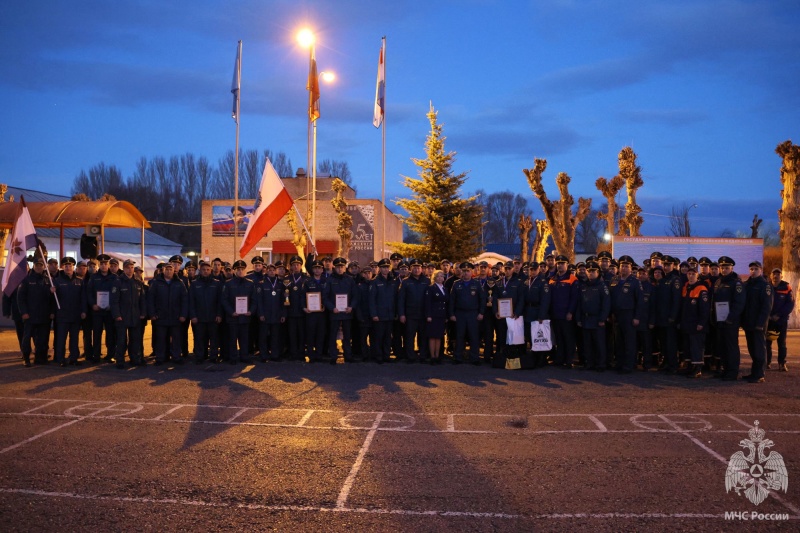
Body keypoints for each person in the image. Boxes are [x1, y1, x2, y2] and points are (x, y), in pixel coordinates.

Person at [712, 256, 747, 381]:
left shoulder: (736, 283)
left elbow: (739, 303)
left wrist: (730, 318)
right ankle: (725, 369)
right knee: (722, 346)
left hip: (731, 321)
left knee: (731, 346)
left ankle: (732, 372)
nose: (724, 270)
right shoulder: (718, 282)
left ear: (731, 268)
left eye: (727, 267)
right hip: (720, 320)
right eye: (722, 267)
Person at [609, 255, 644, 374]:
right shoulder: (615, 280)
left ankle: (629, 365)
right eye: (622, 266)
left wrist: (637, 317)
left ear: (630, 268)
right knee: (618, 341)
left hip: (629, 315)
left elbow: (640, 301)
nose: (623, 268)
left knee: (629, 342)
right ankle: (620, 363)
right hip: (617, 315)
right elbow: (611, 298)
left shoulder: (635, 282)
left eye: (626, 266)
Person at [148, 262, 188, 366]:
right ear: (163, 270)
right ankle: (160, 358)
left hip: (175, 317)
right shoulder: (156, 283)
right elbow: (150, 299)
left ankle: (176, 357)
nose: (169, 271)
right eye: (167, 269)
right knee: (160, 339)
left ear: (174, 270)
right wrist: (152, 313)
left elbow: (184, 300)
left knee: (176, 339)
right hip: (161, 317)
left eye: (170, 269)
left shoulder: (179, 283)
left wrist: (183, 314)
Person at [18, 257, 55, 366]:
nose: (39, 267)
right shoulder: (27, 279)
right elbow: (21, 298)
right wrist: (24, 312)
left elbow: (52, 300)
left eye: (41, 265)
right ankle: (26, 358)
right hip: (30, 315)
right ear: (33, 266)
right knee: (27, 337)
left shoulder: (48, 279)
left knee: (43, 338)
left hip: (44, 315)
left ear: (44, 266)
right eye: (37, 265)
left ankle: (40, 358)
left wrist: (52, 311)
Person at [448, 262, 486, 365]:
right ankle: (458, 357)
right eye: (464, 271)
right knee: (459, 336)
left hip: (473, 314)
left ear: (471, 272)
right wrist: (451, 314)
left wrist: (481, 312)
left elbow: (482, 299)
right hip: (459, 314)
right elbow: (452, 300)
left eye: (468, 271)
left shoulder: (477, 284)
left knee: (474, 336)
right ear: (461, 271)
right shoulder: (456, 284)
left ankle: (474, 358)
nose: (466, 273)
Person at [575, 261, 611, 372]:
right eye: (588, 271)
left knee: (599, 343)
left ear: (598, 272)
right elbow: (579, 303)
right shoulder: (584, 286)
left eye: (593, 271)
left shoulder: (602, 286)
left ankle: (601, 364)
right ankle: (589, 363)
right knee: (587, 344)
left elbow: (606, 303)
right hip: (586, 318)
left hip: (597, 319)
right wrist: (578, 318)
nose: (590, 273)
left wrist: (602, 318)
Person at [741, 261, 772, 383]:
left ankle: (759, 374)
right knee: (752, 349)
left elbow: (766, 307)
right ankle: (754, 372)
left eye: (755, 269)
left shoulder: (765, 286)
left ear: (761, 270)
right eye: (751, 269)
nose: (753, 271)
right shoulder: (747, 284)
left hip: (758, 324)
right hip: (749, 323)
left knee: (759, 349)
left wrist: (761, 323)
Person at [50, 257, 85, 366]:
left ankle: (73, 358)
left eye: (70, 266)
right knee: (61, 338)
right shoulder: (57, 281)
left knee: (74, 338)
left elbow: (83, 298)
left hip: (75, 315)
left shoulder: (79, 281)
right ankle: (60, 359)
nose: (68, 267)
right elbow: (51, 300)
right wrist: (51, 292)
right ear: (62, 267)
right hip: (62, 315)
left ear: (73, 267)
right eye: (66, 266)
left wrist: (83, 311)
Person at [85, 254, 120, 364]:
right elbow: (89, 293)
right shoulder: (94, 277)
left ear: (108, 265)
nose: (104, 266)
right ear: (99, 265)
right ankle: (96, 355)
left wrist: (112, 306)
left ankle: (110, 355)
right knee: (97, 333)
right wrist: (93, 304)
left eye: (106, 264)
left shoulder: (114, 278)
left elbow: (117, 294)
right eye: (102, 264)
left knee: (110, 334)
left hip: (109, 311)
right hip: (97, 310)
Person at [221, 259, 256, 364]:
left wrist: (251, 311)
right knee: (232, 339)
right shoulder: (228, 284)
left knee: (244, 339)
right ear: (234, 271)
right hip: (233, 317)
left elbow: (254, 300)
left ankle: (244, 357)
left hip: (245, 317)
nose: (240, 271)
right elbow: (224, 300)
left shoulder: (250, 284)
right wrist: (231, 312)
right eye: (238, 269)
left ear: (245, 270)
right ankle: (233, 358)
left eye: (242, 269)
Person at [113, 259, 147, 368]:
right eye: (128, 267)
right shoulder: (118, 282)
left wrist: (143, 313)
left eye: (132, 267)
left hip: (135, 316)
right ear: (124, 269)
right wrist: (117, 314)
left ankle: (134, 359)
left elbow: (142, 299)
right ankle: (120, 361)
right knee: (122, 340)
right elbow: (114, 300)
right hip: (122, 316)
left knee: (135, 340)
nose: (130, 269)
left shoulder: (138, 281)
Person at [324, 257, 358, 364]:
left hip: (347, 312)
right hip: (335, 312)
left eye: (342, 267)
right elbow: (325, 297)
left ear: (345, 267)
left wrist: (351, 307)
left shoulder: (350, 280)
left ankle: (348, 355)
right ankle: (333, 356)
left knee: (347, 336)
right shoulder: (329, 280)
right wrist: (331, 307)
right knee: (333, 335)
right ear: (334, 267)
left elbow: (355, 296)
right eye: (338, 267)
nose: (340, 269)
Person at [678, 265, 710, 378]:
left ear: (697, 275)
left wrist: (701, 323)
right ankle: (689, 366)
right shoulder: (685, 287)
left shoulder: (701, 288)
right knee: (687, 346)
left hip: (697, 324)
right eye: (689, 274)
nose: (691, 276)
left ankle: (697, 369)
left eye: (693, 274)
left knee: (697, 346)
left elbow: (705, 309)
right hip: (687, 323)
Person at [189, 260, 222, 364]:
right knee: (199, 338)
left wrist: (219, 314)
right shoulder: (194, 284)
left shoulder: (217, 284)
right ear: (200, 270)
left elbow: (220, 301)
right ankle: (200, 356)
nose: (206, 271)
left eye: (208, 269)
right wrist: (193, 315)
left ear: (211, 270)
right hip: (199, 317)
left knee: (214, 338)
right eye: (203, 270)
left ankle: (213, 356)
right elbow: (191, 301)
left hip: (213, 317)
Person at [549, 255, 579, 368]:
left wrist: (570, 312)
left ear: (567, 265)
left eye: (562, 263)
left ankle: (569, 360)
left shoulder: (572, 279)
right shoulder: (553, 279)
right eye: (558, 263)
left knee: (568, 338)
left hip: (566, 315)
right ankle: (560, 359)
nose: (560, 265)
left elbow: (574, 298)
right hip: (555, 314)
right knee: (559, 338)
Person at [397, 258, 429, 363]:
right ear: (411, 269)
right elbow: (401, 299)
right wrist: (401, 314)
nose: (416, 269)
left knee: (423, 337)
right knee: (409, 337)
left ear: (421, 268)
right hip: (410, 314)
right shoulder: (406, 282)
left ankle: (422, 355)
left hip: (423, 314)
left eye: (418, 267)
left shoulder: (427, 281)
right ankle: (410, 356)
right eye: (414, 267)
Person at [256, 262, 287, 362]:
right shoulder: (261, 283)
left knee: (275, 336)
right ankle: (264, 355)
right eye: (269, 270)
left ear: (276, 271)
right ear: (266, 271)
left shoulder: (280, 284)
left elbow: (284, 301)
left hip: (277, 315)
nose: (272, 272)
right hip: (265, 314)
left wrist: (283, 314)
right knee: (263, 337)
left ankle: (275, 355)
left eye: (273, 270)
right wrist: (260, 314)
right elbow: (259, 301)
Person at [370, 258, 398, 364]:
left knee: (388, 337)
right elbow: (371, 300)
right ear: (380, 269)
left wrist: (396, 313)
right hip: (379, 315)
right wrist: (374, 314)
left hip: (390, 315)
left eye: (387, 267)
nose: (385, 269)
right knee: (379, 337)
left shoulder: (393, 281)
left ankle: (386, 355)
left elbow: (395, 298)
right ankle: (379, 356)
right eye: (383, 267)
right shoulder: (375, 282)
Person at [767, 267, 794, 372]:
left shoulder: (786, 287)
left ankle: (782, 363)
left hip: (781, 320)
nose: (776, 276)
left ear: (781, 276)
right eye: (774, 274)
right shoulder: (767, 286)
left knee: (781, 343)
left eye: (778, 274)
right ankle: (767, 362)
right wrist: (768, 315)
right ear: (770, 276)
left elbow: (790, 304)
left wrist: (778, 315)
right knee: (767, 343)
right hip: (768, 320)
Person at [303, 260, 327, 362]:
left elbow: (329, 296)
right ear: (312, 270)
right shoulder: (307, 282)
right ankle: (311, 355)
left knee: (321, 334)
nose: (317, 270)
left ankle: (319, 354)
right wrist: (304, 307)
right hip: (311, 313)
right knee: (310, 334)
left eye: (319, 268)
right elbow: (302, 296)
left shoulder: (327, 281)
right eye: (315, 268)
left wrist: (326, 306)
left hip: (322, 313)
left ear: (322, 270)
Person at [424, 270, 449, 364]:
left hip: (441, 315)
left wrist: (446, 316)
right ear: (434, 278)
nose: (440, 278)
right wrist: (428, 315)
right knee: (432, 337)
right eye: (438, 276)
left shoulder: (445, 289)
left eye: (442, 276)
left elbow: (446, 303)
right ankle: (432, 356)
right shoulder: (431, 288)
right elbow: (427, 303)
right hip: (433, 315)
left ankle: (437, 355)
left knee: (439, 336)